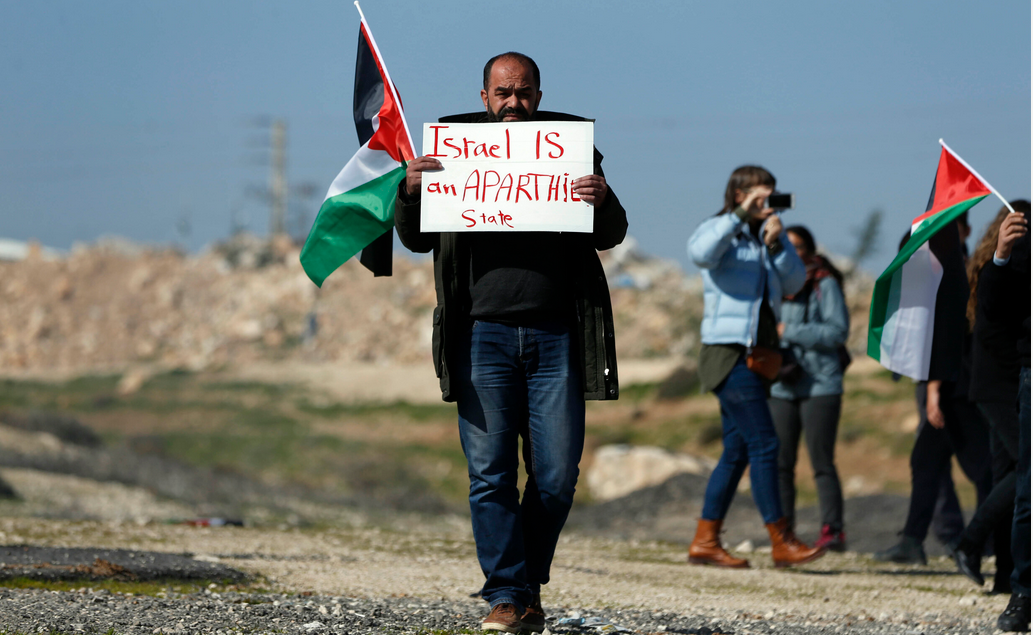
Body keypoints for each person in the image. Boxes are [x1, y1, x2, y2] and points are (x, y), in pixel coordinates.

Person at [394, 52, 627, 634]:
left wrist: (602, 198)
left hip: (555, 337)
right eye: (502, 92)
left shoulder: (569, 149)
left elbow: (612, 232)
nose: (513, 103)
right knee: (490, 474)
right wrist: (410, 190)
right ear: (483, 96)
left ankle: (523, 584)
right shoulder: (453, 152)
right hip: (481, 339)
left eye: (523, 93)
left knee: (555, 476)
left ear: (538, 95)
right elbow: (417, 239)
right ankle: (506, 595)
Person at [686, 166, 826, 569]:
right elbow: (700, 254)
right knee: (765, 442)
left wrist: (779, 244)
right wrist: (737, 216)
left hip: (760, 357)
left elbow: (794, 284)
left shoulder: (766, 241)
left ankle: (705, 540)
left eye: (771, 195)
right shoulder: (721, 230)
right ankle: (781, 540)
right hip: (727, 353)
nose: (765, 203)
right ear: (739, 194)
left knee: (737, 450)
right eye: (758, 196)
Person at [873, 218, 993, 565]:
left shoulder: (958, 277)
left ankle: (985, 542)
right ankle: (914, 541)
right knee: (927, 462)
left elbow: (948, 341)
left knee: (983, 470)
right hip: (953, 387)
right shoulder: (952, 276)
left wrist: (934, 393)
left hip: (957, 390)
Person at [949, 201, 1030, 596]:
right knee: (1025, 471)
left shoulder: (991, 266)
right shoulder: (1003, 265)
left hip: (995, 383)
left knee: (1006, 475)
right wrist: (1003, 253)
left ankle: (1003, 575)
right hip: (1000, 385)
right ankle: (969, 541)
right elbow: (996, 320)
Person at [768, 225, 850, 551]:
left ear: (811, 250)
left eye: (799, 246)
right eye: (786, 244)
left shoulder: (824, 284)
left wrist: (789, 331)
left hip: (821, 384)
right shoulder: (774, 283)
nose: (793, 251)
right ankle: (785, 532)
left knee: (822, 462)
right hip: (782, 385)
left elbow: (837, 332)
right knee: (780, 463)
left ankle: (833, 531)